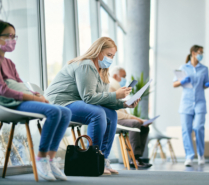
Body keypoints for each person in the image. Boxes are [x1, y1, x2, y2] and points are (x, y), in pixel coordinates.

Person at [45, 37, 140, 175]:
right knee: (97, 113)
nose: (111, 59)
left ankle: (103, 160)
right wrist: (116, 95)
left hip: (76, 101)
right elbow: (89, 97)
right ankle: (92, 160)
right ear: (98, 51)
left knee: (111, 114)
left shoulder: (102, 71)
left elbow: (100, 99)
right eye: (108, 55)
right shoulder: (86, 65)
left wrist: (123, 103)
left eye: (113, 56)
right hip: (60, 102)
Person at [0, 20, 71, 181]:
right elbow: (3, 90)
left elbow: (20, 84)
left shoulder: (9, 62)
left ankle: (50, 159)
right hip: (8, 103)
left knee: (65, 112)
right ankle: (41, 157)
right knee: (53, 111)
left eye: (14, 36)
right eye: (8, 36)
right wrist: (32, 97)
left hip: (20, 99)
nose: (13, 40)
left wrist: (37, 95)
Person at [173, 45, 209, 167]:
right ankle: (189, 156)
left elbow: (204, 85)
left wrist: (207, 84)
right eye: (200, 52)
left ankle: (201, 154)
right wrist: (182, 81)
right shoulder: (183, 67)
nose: (201, 55)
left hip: (200, 102)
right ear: (193, 53)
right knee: (186, 130)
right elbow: (174, 84)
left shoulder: (204, 69)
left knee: (198, 127)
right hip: (186, 103)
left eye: (202, 52)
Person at [109, 66, 152, 168]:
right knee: (135, 124)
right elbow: (115, 112)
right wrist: (138, 119)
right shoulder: (110, 87)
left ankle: (137, 157)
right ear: (115, 76)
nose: (125, 79)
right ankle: (134, 158)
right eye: (123, 76)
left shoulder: (118, 89)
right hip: (113, 119)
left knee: (144, 126)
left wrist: (141, 120)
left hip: (120, 118)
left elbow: (122, 110)